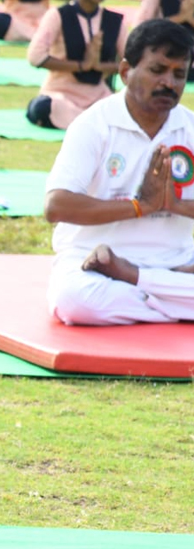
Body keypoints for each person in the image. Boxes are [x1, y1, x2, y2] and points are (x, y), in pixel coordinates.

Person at [43, 19, 194, 325]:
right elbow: (56, 206)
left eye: (180, 74)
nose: (169, 83)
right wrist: (140, 207)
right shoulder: (94, 125)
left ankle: (137, 280)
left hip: (176, 263)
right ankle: (171, 301)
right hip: (96, 262)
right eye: (157, 70)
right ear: (126, 72)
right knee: (75, 301)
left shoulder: (189, 127)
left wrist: (175, 205)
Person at [25, 0, 125, 130]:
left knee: (126, 111)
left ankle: (92, 125)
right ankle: (93, 127)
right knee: (41, 107)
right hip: (61, 95)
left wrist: (100, 66)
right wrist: (81, 65)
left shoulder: (115, 20)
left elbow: (131, 63)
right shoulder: (58, 15)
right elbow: (36, 57)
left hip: (99, 96)